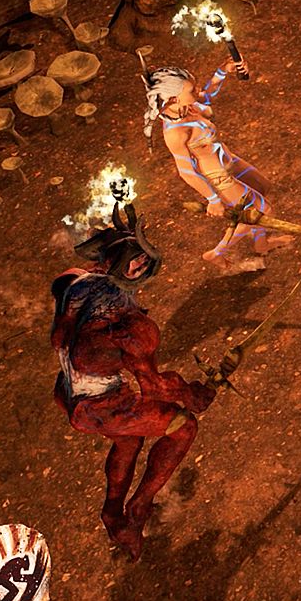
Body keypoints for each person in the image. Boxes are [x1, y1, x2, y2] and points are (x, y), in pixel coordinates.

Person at [50, 205, 211, 560]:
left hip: (69, 394)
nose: (140, 267)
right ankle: (139, 507)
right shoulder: (129, 323)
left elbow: (63, 335)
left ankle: (112, 514)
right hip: (101, 406)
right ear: (117, 261)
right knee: (183, 427)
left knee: (129, 439)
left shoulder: (78, 283)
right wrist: (192, 393)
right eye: (136, 261)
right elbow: (154, 388)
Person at [143, 62, 287, 273]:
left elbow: (207, 96)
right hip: (218, 177)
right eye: (191, 90)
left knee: (262, 188)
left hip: (229, 160)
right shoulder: (175, 133)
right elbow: (186, 172)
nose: (197, 91)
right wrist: (213, 199)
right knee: (263, 210)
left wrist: (223, 71)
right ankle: (218, 253)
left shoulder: (187, 106)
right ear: (173, 98)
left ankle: (260, 243)